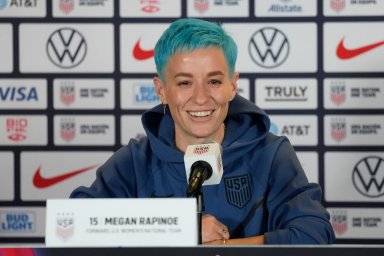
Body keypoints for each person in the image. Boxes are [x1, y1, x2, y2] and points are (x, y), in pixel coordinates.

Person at [70, 18, 335, 245]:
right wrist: (182, 229)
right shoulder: (135, 160)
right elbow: (74, 226)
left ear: (232, 85)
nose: (200, 98)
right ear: (161, 90)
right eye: (185, 82)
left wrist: (221, 246)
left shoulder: (270, 153)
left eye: (214, 81)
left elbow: (314, 234)